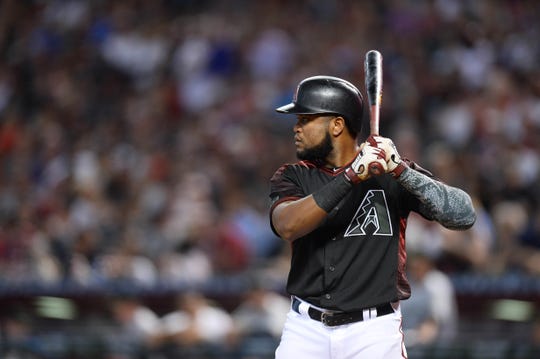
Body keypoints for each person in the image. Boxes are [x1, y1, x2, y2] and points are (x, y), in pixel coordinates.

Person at [269, 75, 476, 358]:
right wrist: (353, 176)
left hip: (373, 332)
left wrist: (401, 170)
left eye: (305, 119)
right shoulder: (294, 175)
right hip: (305, 329)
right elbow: (287, 226)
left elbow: (464, 214)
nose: (296, 127)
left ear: (337, 125)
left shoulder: (392, 174)